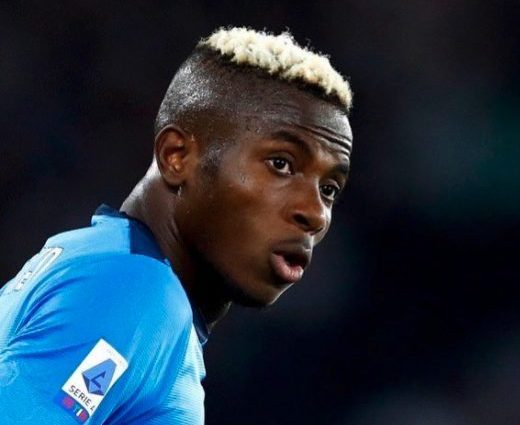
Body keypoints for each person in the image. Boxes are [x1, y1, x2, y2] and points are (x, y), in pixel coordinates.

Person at [0, 27, 353, 424]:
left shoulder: (99, 261)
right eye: (281, 164)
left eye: (329, 189)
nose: (315, 213)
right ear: (177, 156)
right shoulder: (133, 291)